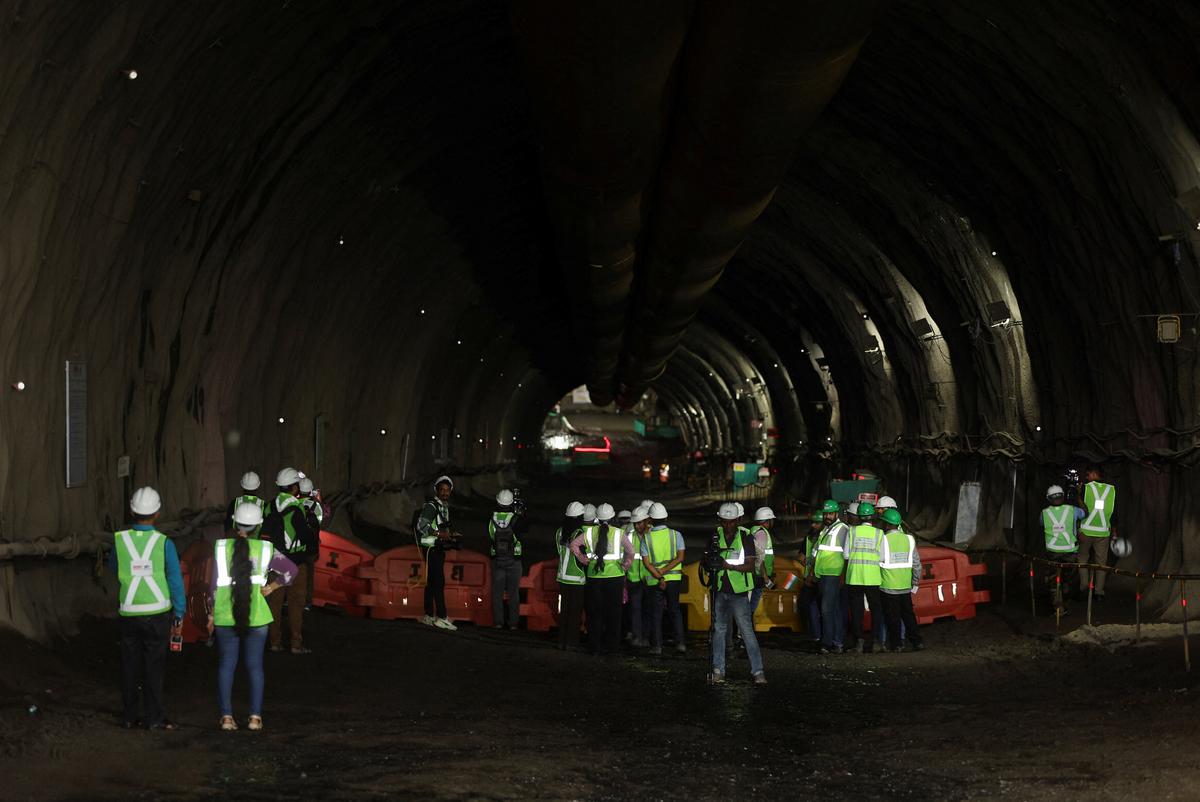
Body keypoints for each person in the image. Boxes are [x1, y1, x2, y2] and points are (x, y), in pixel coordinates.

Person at [206, 502, 298, 731]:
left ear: (235, 523)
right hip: (257, 616)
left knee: (227, 665)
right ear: (259, 526)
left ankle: (227, 718)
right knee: (255, 667)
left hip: (225, 616)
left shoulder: (220, 547)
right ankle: (255, 718)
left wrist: (210, 614)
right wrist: (273, 587)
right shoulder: (266, 549)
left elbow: (214, 587)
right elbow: (291, 571)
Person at [109, 486, 186, 730]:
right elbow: (175, 578)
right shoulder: (164, 543)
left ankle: (129, 716)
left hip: (129, 613)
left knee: (129, 665)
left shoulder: (119, 541)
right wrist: (180, 611)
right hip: (157, 614)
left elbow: (114, 568)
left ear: (132, 511)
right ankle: (154, 717)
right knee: (154, 667)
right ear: (157, 513)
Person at [262, 467, 318, 653]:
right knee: (296, 603)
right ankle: (295, 643)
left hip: (274, 562)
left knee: (274, 603)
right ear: (294, 487)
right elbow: (305, 537)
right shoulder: (296, 508)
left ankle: (274, 642)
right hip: (296, 562)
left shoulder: (269, 506)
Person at [710, 503, 766, 685]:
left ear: (738, 520)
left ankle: (758, 672)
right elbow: (706, 560)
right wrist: (709, 562)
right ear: (720, 520)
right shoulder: (714, 536)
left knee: (746, 631)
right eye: (724, 522)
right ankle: (718, 670)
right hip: (720, 590)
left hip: (739, 592)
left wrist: (728, 566)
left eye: (731, 522)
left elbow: (750, 566)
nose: (727, 525)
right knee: (719, 631)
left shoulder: (745, 537)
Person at [573, 503, 633, 655]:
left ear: (597, 519)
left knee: (594, 614)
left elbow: (574, 545)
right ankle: (612, 647)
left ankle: (594, 647)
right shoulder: (619, 533)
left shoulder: (589, 533)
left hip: (594, 578)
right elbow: (631, 551)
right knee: (614, 614)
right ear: (613, 517)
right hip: (615, 578)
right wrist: (625, 566)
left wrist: (583, 559)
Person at [641, 502, 686, 655]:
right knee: (675, 610)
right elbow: (680, 558)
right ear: (666, 518)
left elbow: (647, 564)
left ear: (651, 520)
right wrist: (666, 571)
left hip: (654, 580)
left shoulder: (646, 539)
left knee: (656, 613)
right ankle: (680, 644)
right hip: (673, 579)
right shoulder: (676, 535)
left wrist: (659, 575)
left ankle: (657, 646)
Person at [416, 475, 460, 631]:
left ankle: (428, 615)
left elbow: (441, 527)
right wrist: (441, 535)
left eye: (447, 490)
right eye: (441, 490)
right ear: (436, 490)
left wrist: (450, 536)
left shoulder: (443, 507)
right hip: (431, 549)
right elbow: (421, 526)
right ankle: (441, 617)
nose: (444, 493)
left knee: (431, 583)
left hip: (437, 548)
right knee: (438, 583)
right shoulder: (431, 506)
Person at [879, 508, 925, 652]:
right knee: (908, 615)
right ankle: (917, 642)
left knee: (893, 618)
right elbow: (917, 564)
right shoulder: (909, 539)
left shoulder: (882, 539)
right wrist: (915, 582)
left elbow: (877, 562)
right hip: (905, 586)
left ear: (886, 524)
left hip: (888, 586)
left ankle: (897, 644)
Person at [844, 501, 884, 654]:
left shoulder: (852, 532)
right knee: (876, 610)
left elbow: (846, 554)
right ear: (871, 516)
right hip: (873, 578)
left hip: (854, 577)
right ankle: (874, 641)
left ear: (859, 516)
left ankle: (859, 642)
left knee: (857, 610)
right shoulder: (879, 533)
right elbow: (882, 558)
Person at [810, 499, 849, 654]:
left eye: (830, 513)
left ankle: (827, 643)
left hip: (833, 574)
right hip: (824, 574)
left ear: (836, 513)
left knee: (827, 610)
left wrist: (842, 575)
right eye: (826, 513)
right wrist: (814, 572)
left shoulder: (842, 529)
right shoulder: (826, 530)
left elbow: (847, 555)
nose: (827, 516)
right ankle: (837, 642)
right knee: (833, 609)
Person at [1077, 465, 1117, 600]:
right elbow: (1114, 513)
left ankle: (1084, 587)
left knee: (1082, 558)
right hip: (1104, 532)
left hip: (1086, 531)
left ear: (1093, 474)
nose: (1087, 478)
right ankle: (1099, 592)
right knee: (1101, 563)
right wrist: (1115, 531)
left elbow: (1079, 510)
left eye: (1088, 475)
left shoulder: (1085, 488)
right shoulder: (1111, 490)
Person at [1042, 484, 1082, 608]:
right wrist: (1079, 497)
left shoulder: (1044, 513)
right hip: (1070, 551)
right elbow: (1085, 513)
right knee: (1069, 578)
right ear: (1063, 497)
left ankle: (1056, 605)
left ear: (1049, 498)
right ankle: (1065, 598)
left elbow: (1041, 524)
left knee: (1053, 579)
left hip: (1052, 551)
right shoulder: (1073, 510)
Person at [488, 489, 523, 630]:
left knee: (497, 593)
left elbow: (491, 536)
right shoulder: (516, 519)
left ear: (497, 501)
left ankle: (498, 622)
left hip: (497, 559)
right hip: (514, 560)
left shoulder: (491, 518)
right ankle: (513, 623)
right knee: (513, 593)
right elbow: (524, 531)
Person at [555, 502, 587, 650]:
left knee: (564, 612)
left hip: (562, 578)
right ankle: (572, 642)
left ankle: (561, 641)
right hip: (577, 579)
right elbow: (583, 557)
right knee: (575, 613)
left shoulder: (559, 532)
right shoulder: (580, 534)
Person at [624, 506, 650, 647]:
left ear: (647, 521)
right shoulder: (629, 536)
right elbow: (625, 556)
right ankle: (636, 637)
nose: (637, 525)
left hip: (649, 579)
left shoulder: (653, 535)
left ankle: (645, 637)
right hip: (633, 579)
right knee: (635, 610)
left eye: (640, 522)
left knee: (647, 610)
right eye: (635, 523)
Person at [797, 512, 824, 643]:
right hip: (817, 578)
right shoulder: (819, 537)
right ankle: (820, 635)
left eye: (816, 522)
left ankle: (817, 635)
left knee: (813, 606)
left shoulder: (812, 537)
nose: (813, 525)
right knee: (819, 607)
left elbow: (800, 558)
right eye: (812, 522)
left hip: (815, 578)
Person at [298, 476, 323, 609]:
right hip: (312, 546)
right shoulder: (316, 506)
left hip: (297, 545)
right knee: (309, 575)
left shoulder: (295, 504)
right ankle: (307, 602)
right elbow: (319, 524)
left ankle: (292, 599)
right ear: (310, 491)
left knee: (295, 572)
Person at [748, 506, 776, 615]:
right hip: (758, 576)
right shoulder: (762, 534)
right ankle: (744, 631)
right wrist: (765, 578)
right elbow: (760, 557)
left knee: (749, 607)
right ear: (768, 521)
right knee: (750, 608)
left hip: (755, 574)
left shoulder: (753, 530)